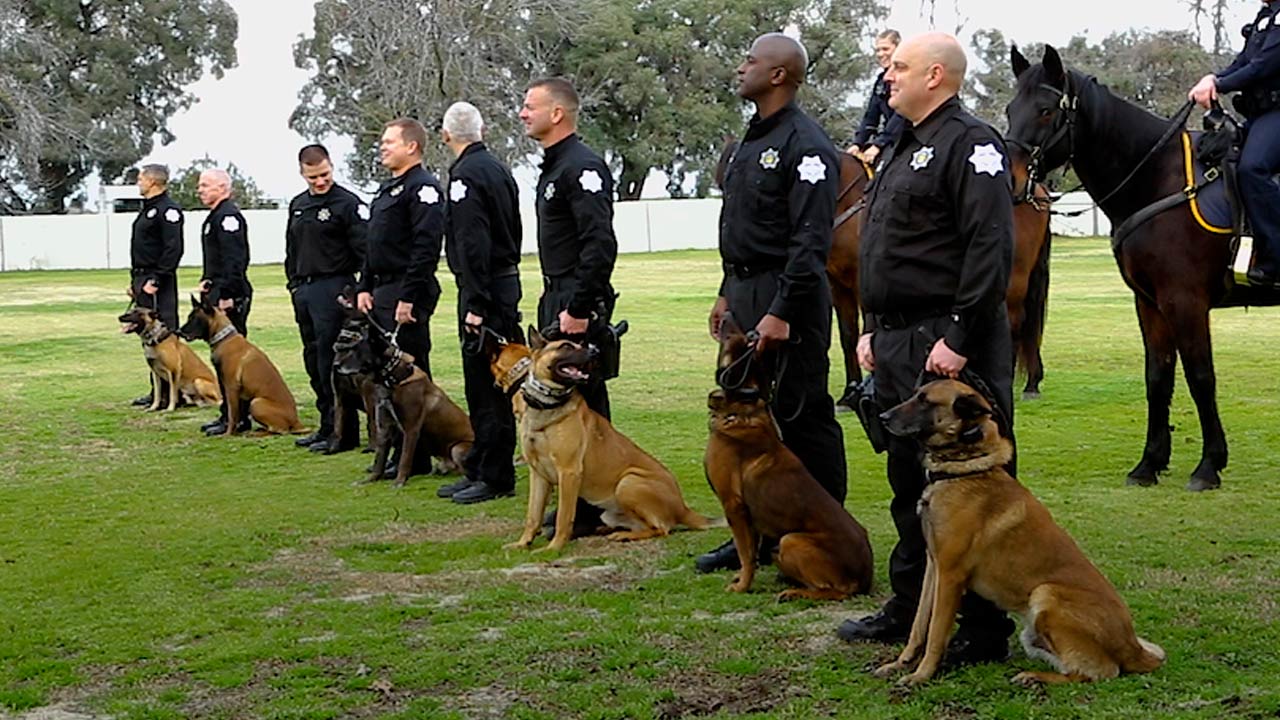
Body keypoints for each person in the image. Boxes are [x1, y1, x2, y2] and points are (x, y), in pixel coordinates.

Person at [836, 32, 1017, 667]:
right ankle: (912, 602)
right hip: (896, 338)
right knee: (906, 479)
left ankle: (983, 627)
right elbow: (882, 249)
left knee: (974, 488)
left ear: (935, 76)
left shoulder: (972, 144)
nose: (888, 77)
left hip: (946, 339)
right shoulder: (900, 145)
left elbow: (990, 246)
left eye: (900, 68)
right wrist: (870, 328)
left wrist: (958, 338)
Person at [697, 32, 847, 573]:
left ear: (778, 74)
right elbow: (740, 226)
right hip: (744, 289)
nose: (741, 68)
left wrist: (781, 311)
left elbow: (810, 241)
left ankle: (828, 530)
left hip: (789, 296)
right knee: (746, 415)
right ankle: (755, 534)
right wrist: (726, 290)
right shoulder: (749, 141)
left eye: (750, 60)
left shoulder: (806, 145)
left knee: (801, 416)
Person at [519, 77, 617, 535]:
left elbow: (599, 243)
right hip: (556, 293)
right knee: (562, 398)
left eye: (530, 105)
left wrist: (578, 307)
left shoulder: (582, 166)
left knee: (587, 404)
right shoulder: (555, 166)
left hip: (575, 298)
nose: (522, 113)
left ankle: (592, 507)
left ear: (556, 113)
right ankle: (575, 500)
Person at [434, 101, 524, 505]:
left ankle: (495, 475)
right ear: (482, 130)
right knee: (486, 385)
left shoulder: (465, 175)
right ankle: (481, 466)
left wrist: (475, 302)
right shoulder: (499, 170)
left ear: (445, 135)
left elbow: (473, 242)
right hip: (502, 282)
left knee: (487, 386)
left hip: (484, 290)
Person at [1189, 0, 1280, 286]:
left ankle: (1276, 259)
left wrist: (1219, 85)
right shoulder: (1266, 16)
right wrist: (1214, 78)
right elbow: (1243, 62)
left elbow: (1264, 66)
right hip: (1259, 114)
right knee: (1222, 158)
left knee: (1252, 168)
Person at [285, 143, 368, 454]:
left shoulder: (347, 204)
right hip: (305, 290)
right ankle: (325, 424)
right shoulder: (298, 205)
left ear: (331, 167)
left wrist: (360, 289)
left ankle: (343, 431)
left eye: (324, 174)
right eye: (313, 177)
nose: (320, 182)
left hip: (334, 288)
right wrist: (294, 285)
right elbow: (292, 249)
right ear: (302, 173)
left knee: (331, 361)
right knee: (313, 360)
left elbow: (365, 250)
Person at [356, 118, 445, 378]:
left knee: (408, 371)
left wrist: (409, 297)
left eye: (389, 142)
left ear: (411, 146)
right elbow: (374, 243)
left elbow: (426, 248)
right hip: (381, 291)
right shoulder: (386, 191)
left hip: (404, 288)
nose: (382, 147)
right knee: (381, 369)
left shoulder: (422, 188)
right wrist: (364, 286)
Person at [197, 168, 253, 436]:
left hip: (229, 296)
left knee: (232, 359)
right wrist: (208, 280)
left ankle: (238, 417)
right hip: (217, 292)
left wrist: (228, 293)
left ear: (223, 187)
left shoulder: (228, 217)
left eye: (205, 185)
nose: (200, 190)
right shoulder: (215, 216)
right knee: (221, 358)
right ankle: (227, 414)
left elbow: (235, 259)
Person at [127, 164, 184, 407]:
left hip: (158, 281)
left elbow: (173, 248)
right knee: (148, 337)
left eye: (141, 178)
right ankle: (157, 391)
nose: (138, 182)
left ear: (152, 181)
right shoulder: (147, 209)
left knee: (163, 333)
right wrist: (135, 282)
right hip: (143, 278)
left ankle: (174, 392)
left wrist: (157, 279)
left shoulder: (168, 210)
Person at [846, 29, 904, 167]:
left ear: (898, 48)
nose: (881, 54)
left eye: (885, 49)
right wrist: (858, 143)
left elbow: (902, 113)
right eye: (877, 50)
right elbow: (871, 116)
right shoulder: (880, 82)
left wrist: (879, 144)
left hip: (905, 139)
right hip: (887, 140)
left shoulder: (906, 78)